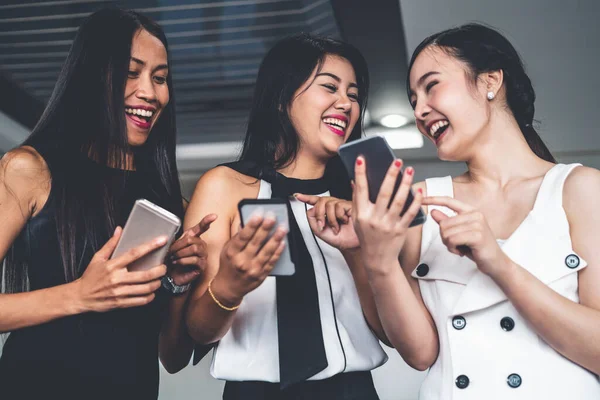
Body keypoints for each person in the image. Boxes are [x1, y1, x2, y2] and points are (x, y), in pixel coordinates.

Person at [349, 23, 600, 399]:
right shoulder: (420, 202)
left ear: (490, 82)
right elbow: (420, 354)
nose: (419, 109)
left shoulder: (581, 189)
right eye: (413, 99)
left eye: (431, 86)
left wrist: (499, 264)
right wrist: (377, 261)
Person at [0, 8, 214, 399]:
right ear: (92, 77)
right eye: (132, 73)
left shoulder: (169, 204)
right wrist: (79, 295)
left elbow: (173, 358)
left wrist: (177, 283)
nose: (150, 92)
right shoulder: (29, 169)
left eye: (160, 78)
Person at [184, 33, 388, 400]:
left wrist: (358, 252)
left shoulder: (363, 198)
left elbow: (390, 332)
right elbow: (198, 331)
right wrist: (231, 283)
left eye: (354, 95)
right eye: (330, 87)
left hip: (352, 391)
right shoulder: (225, 186)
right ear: (281, 99)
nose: (346, 103)